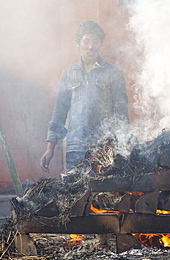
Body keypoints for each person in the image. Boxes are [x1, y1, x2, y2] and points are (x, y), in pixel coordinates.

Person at [40, 21, 129, 172]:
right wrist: (50, 148)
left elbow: (121, 113)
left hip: (103, 148)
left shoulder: (113, 73)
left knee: (104, 193)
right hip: (75, 148)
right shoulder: (68, 74)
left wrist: (124, 144)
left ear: (100, 44)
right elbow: (59, 113)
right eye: (86, 41)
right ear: (78, 44)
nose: (90, 46)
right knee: (76, 192)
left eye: (95, 42)